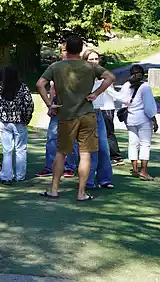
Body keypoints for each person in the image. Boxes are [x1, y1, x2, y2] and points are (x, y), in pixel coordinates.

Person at [37, 35, 115, 201]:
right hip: (88, 114)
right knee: (86, 154)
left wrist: (49, 104)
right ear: (80, 49)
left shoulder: (56, 66)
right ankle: (81, 193)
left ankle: (54, 189)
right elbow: (110, 77)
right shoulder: (89, 66)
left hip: (67, 115)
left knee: (61, 153)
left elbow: (40, 84)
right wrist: (96, 93)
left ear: (67, 49)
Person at [34, 44, 78, 178]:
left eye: (68, 51)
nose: (66, 53)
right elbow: (49, 88)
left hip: (73, 108)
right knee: (52, 138)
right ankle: (50, 166)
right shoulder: (55, 67)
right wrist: (50, 105)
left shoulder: (78, 67)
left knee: (71, 139)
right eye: (64, 51)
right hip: (57, 107)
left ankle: (69, 167)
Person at [0, 65, 34, 184]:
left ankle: (6, 176)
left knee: (7, 150)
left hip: (5, 122)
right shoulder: (23, 88)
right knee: (21, 149)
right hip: (20, 122)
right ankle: (20, 176)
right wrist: (26, 118)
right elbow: (29, 105)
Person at [81, 49, 115, 189]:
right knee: (90, 150)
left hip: (98, 113)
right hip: (86, 114)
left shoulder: (102, 77)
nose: (95, 62)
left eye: (96, 59)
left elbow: (112, 87)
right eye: (91, 59)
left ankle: (105, 179)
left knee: (104, 148)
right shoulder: (81, 77)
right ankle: (88, 180)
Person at [118, 65, 158, 181]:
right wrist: (154, 121)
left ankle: (135, 169)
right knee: (145, 144)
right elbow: (149, 106)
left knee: (133, 143)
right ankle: (144, 171)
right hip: (143, 119)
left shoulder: (126, 86)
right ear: (142, 74)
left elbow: (123, 102)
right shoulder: (145, 86)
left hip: (130, 118)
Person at [96, 56, 123, 165]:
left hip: (106, 108)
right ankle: (107, 155)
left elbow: (111, 92)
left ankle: (115, 156)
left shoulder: (104, 77)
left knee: (108, 133)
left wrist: (124, 100)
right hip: (100, 108)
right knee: (103, 133)